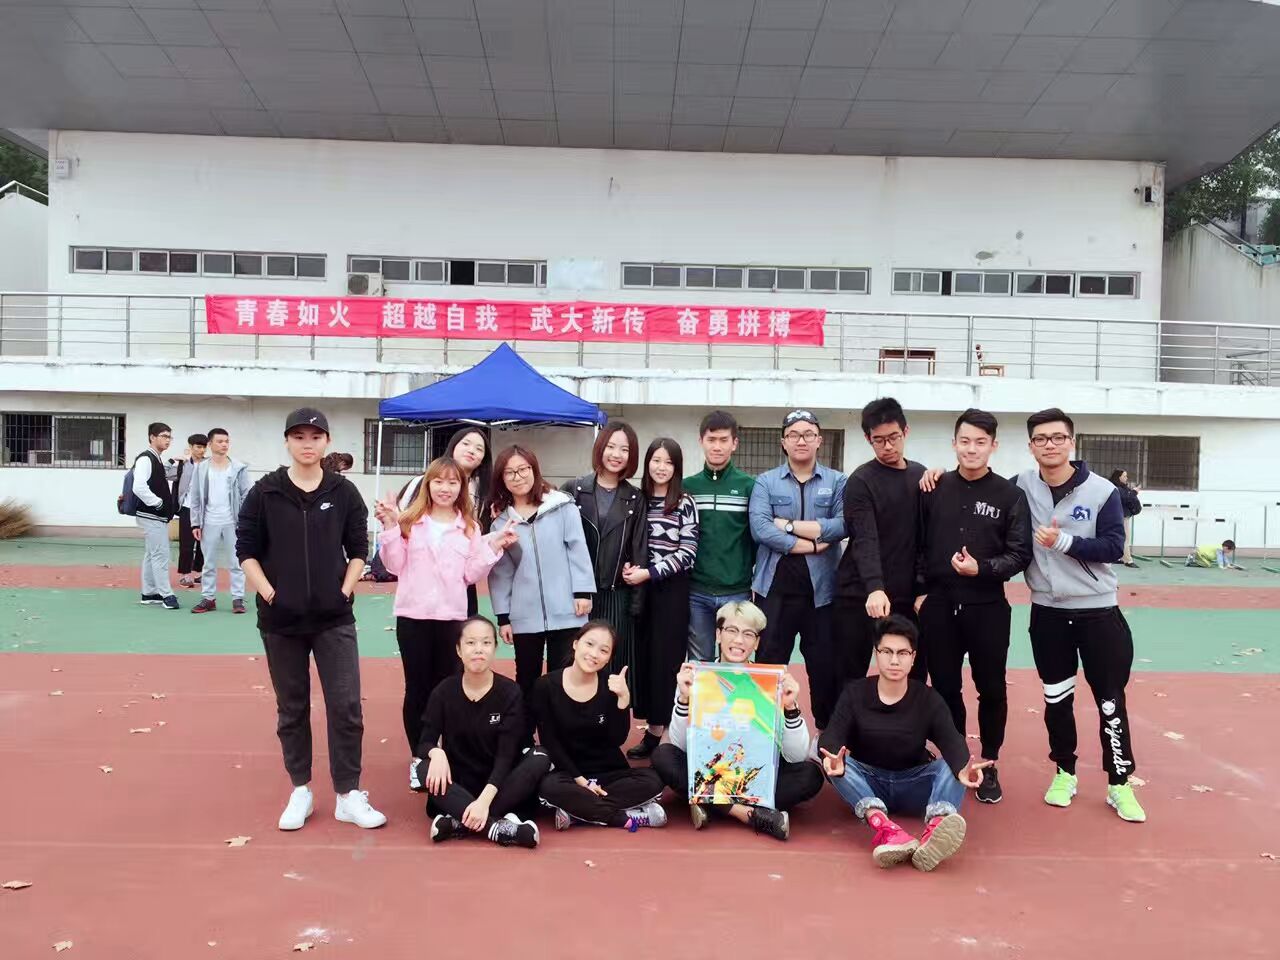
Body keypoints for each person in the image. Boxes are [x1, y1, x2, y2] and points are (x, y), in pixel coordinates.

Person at [236, 407, 386, 831]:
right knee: (292, 708)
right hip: (280, 622)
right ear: (287, 441)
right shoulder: (265, 492)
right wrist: (269, 593)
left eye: (315, 437)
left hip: (333, 619)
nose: (307, 444)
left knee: (346, 706)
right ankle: (300, 789)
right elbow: (246, 550)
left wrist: (344, 589)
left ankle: (348, 794)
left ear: (327, 442)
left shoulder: (344, 492)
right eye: (299, 437)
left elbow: (358, 548)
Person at [1016, 408, 1145, 823]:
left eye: (1058, 437)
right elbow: (980, 491)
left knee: (1110, 702)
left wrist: (1064, 542)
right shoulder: (1021, 485)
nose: (1050, 445)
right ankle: (1064, 772)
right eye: (1041, 439)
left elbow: (1113, 547)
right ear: (1031, 446)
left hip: (1098, 613)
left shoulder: (1102, 491)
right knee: (1056, 699)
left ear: (1071, 442)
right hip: (1048, 614)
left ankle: (1119, 783)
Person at [373, 455, 517, 791]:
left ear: (461, 488)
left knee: (451, 689)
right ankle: (420, 758)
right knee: (417, 690)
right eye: (438, 481)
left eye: (453, 482)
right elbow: (394, 565)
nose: (445, 488)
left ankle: (451, 755)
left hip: (452, 619)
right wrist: (391, 526)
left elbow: (470, 574)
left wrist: (494, 546)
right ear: (428, 484)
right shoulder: (410, 522)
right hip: (414, 617)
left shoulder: (469, 527)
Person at [915, 409, 1031, 804]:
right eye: (964, 441)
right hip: (939, 606)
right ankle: (959, 759)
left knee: (991, 688)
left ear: (993, 446)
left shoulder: (1010, 496)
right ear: (954, 444)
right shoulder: (933, 488)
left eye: (980, 442)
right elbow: (918, 545)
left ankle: (990, 762)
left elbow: (1019, 554)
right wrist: (921, 592)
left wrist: (981, 568)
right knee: (946, 687)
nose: (971, 449)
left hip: (988, 606)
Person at [819, 616, 991, 872]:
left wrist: (963, 765)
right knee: (835, 764)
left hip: (915, 783)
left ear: (913, 657)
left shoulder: (927, 698)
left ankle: (935, 832)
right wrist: (832, 757)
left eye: (902, 653)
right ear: (876, 654)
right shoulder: (855, 693)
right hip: (869, 781)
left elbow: (951, 739)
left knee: (952, 766)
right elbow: (832, 735)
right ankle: (886, 829)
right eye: (887, 652)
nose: (894, 660)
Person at [650, 600, 823, 841]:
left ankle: (709, 803)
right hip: (709, 770)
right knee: (663, 756)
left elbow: (796, 755)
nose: (739, 640)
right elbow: (680, 746)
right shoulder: (697, 676)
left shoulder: (770, 683)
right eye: (731, 630)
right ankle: (748, 814)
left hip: (755, 774)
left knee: (811, 775)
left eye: (748, 634)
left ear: (757, 643)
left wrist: (791, 707)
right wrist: (684, 699)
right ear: (718, 635)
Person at [487, 445, 595, 740]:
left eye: (523, 469)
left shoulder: (562, 506)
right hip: (525, 614)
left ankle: (561, 739)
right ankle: (524, 740)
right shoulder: (501, 522)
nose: (518, 477)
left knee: (564, 677)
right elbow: (501, 572)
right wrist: (503, 616)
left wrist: (582, 591)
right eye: (510, 472)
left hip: (567, 609)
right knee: (527, 679)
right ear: (501, 479)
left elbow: (577, 548)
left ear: (534, 470)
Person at [749, 409, 847, 730]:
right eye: (793, 435)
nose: (801, 440)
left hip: (823, 594)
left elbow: (841, 525)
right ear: (783, 442)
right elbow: (762, 529)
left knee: (825, 666)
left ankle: (825, 735)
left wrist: (788, 525)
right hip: (774, 592)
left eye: (808, 434)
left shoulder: (837, 481)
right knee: (769, 664)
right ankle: (767, 731)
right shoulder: (765, 481)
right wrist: (812, 544)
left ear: (819, 440)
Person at [419, 617, 550, 849]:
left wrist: (483, 802)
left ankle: (460, 820)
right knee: (422, 768)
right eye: (471, 643)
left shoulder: (510, 692)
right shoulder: (443, 691)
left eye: (486, 642)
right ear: (459, 650)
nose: (478, 649)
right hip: (460, 781)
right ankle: (497, 827)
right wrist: (436, 753)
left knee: (540, 757)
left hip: (500, 783)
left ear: (494, 649)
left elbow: (506, 756)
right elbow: (424, 742)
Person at [534, 622, 667, 831]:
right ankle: (621, 817)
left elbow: (617, 739)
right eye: (589, 644)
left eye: (604, 650)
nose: (594, 654)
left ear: (608, 658)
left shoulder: (610, 685)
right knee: (548, 787)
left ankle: (578, 813)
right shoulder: (546, 685)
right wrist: (581, 781)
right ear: (576, 644)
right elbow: (549, 741)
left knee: (653, 780)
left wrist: (623, 700)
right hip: (568, 774)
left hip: (609, 773)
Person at [834, 398, 927, 681]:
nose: (887, 446)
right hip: (861, 594)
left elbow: (926, 538)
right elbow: (864, 537)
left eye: (893, 437)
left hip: (907, 597)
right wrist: (874, 588)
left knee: (912, 673)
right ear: (868, 439)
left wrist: (923, 588)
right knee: (850, 674)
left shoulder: (921, 476)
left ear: (905, 432)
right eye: (879, 440)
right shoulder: (861, 481)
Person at [622, 438, 699, 759]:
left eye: (669, 462)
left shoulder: (684, 501)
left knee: (667, 661)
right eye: (656, 460)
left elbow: (688, 552)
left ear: (676, 467)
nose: (661, 467)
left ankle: (668, 733)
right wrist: (629, 568)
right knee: (643, 659)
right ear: (647, 463)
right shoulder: (636, 499)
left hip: (671, 590)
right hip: (639, 591)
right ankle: (653, 731)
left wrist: (649, 573)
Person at [562, 420, 647, 693]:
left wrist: (635, 604)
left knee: (611, 666)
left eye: (624, 449)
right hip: (577, 595)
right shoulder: (573, 489)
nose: (616, 454)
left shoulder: (635, 498)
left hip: (615, 595)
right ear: (600, 448)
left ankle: (609, 719)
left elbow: (639, 549)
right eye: (611, 446)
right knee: (574, 662)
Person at [683, 410, 756, 660]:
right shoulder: (687, 487)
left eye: (724, 440)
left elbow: (757, 537)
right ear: (701, 441)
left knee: (735, 659)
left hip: (737, 592)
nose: (717, 446)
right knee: (699, 663)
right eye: (711, 439)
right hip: (697, 592)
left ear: (734, 443)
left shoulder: (749, 486)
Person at [189, 428, 251, 615]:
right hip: (209, 521)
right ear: (210, 444)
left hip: (233, 522)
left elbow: (247, 495)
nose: (224, 445)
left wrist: (245, 521)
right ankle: (208, 598)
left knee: (236, 562)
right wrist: (195, 523)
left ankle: (238, 598)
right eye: (220, 441)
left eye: (226, 441)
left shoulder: (238, 467)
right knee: (208, 563)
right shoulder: (201, 468)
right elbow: (195, 497)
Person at [132, 421, 179, 610]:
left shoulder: (155, 458)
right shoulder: (146, 459)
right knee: (161, 554)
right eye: (164, 436)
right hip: (152, 515)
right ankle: (166, 594)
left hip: (154, 515)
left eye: (169, 437)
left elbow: (159, 476)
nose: (167, 440)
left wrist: (171, 462)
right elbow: (139, 487)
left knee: (152, 554)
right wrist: (158, 503)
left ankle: (149, 593)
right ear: (152, 437)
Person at [174, 433, 208, 589]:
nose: (202, 450)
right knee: (187, 543)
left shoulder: (209, 464)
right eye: (198, 447)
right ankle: (185, 574)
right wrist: (173, 460)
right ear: (191, 447)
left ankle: (199, 572)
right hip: (187, 508)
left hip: (205, 509)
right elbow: (165, 473)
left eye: (204, 447)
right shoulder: (183, 464)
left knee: (204, 542)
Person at [1109, 469, 1142, 568]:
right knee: (1125, 538)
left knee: (1118, 538)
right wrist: (1134, 492)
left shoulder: (1118, 487)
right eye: (1124, 476)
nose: (1126, 478)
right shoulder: (1117, 488)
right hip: (1121, 516)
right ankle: (1128, 560)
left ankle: (1118, 557)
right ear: (1119, 477)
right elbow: (1126, 498)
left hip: (1119, 515)